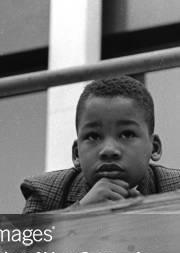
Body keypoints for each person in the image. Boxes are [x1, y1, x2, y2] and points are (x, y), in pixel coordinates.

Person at [21, 75, 180, 214]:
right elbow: (17, 247)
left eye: (127, 134)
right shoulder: (45, 192)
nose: (109, 150)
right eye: (93, 136)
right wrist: (80, 214)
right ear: (77, 154)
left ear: (155, 148)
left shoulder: (175, 188)